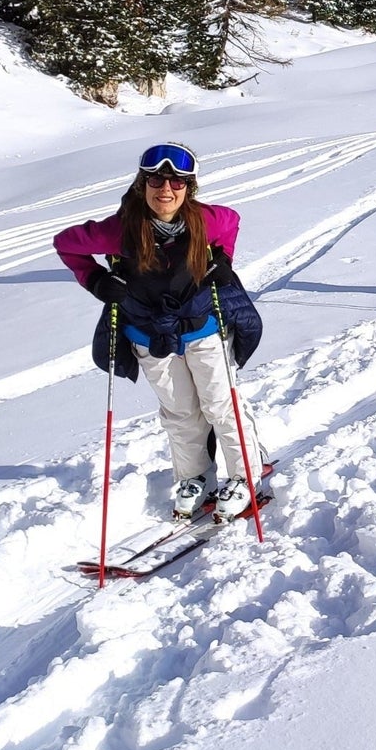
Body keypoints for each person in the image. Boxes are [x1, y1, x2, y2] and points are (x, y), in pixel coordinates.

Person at [54, 143, 266, 521]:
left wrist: (223, 259)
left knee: (220, 405)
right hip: (149, 337)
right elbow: (67, 244)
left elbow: (231, 221)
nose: (165, 190)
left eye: (176, 182)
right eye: (155, 180)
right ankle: (195, 476)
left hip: (203, 329)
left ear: (189, 187)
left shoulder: (206, 220)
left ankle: (244, 477)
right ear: (142, 183)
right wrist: (97, 281)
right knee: (181, 412)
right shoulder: (119, 230)